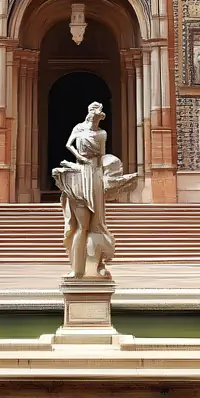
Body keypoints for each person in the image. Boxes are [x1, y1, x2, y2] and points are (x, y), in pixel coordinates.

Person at [52, 102, 136, 279]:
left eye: (98, 117)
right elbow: (69, 145)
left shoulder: (102, 133)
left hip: (95, 175)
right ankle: (77, 268)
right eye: (94, 114)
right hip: (80, 174)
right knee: (80, 226)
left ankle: (97, 265)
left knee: (96, 223)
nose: (95, 119)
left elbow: (102, 156)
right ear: (90, 114)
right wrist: (78, 157)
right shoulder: (79, 128)